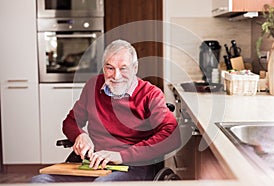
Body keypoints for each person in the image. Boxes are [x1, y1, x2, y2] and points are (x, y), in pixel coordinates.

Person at [31, 39, 180, 183]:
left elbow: (172, 136)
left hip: (132, 166)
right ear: (103, 68)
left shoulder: (150, 94)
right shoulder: (93, 86)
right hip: (93, 162)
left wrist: (121, 156)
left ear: (135, 68)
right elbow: (71, 121)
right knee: (40, 181)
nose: (116, 76)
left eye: (123, 68)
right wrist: (80, 135)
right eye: (110, 68)